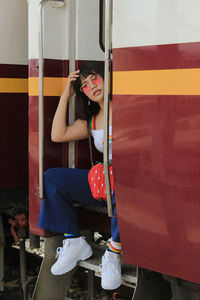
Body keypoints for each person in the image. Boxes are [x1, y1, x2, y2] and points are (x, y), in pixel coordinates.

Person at [38, 61, 122, 290]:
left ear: (107, 77)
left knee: (122, 180)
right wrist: (66, 94)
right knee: (52, 177)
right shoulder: (92, 121)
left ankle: (113, 252)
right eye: (84, 84)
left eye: (94, 77)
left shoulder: (128, 108)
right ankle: (74, 241)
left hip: (129, 182)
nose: (91, 85)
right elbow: (57, 134)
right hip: (105, 183)